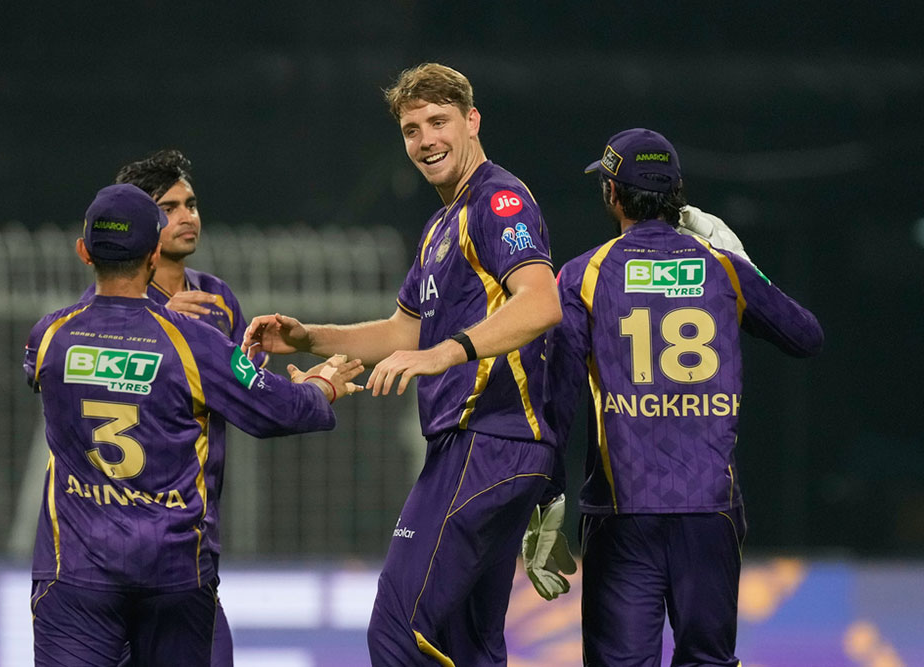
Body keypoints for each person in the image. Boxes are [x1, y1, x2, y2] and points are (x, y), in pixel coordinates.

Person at [243, 63, 563, 666]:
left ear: (472, 121)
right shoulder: (442, 225)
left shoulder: (498, 199)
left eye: (439, 122)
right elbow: (403, 331)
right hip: (480, 446)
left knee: (396, 628)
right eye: (412, 130)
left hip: (490, 441)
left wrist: (445, 353)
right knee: (468, 646)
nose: (426, 141)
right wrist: (310, 337)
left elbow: (542, 303)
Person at [24, 184, 363, 666]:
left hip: (74, 573)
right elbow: (277, 409)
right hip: (173, 572)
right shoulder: (191, 343)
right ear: (153, 254)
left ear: (84, 252)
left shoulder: (49, 336)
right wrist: (321, 386)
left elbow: (36, 375)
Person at [545, 128, 824, 665]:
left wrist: (547, 495)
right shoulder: (723, 267)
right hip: (708, 512)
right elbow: (806, 336)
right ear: (678, 195)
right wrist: (739, 258)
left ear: (612, 194)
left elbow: (557, 398)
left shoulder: (582, 275)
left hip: (622, 512)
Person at [81, 149, 261, 665]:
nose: (187, 216)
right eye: (169, 208)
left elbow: (249, 394)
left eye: (191, 203)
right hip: (109, 560)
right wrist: (155, 325)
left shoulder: (217, 298)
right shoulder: (102, 313)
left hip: (190, 549)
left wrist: (292, 386)